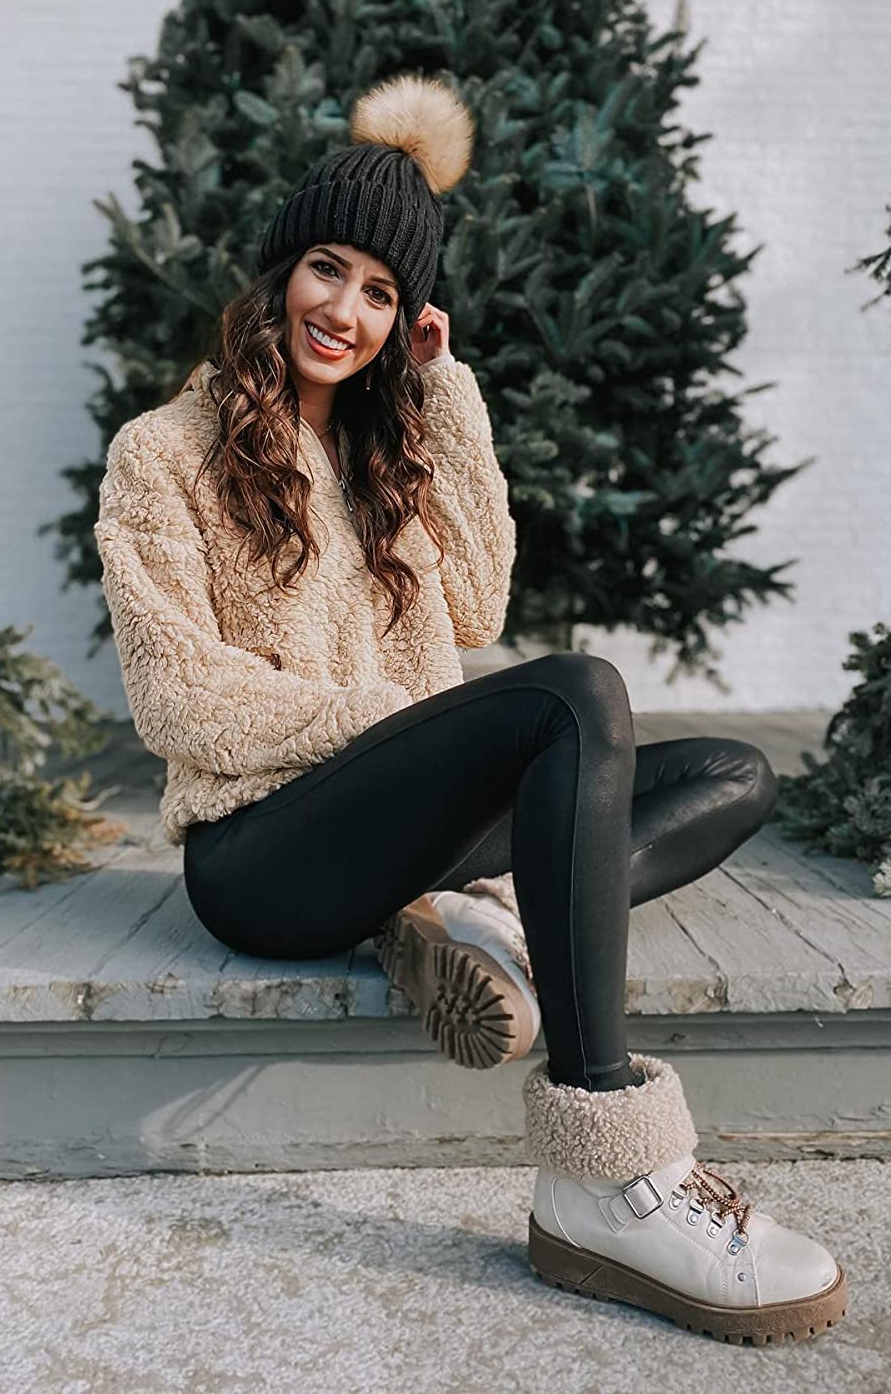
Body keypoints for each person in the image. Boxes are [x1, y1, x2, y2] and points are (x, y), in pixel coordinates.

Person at [94, 71, 848, 1345]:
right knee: (577, 695)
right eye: (327, 270)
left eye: (381, 293)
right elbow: (180, 699)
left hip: (395, 832)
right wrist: (386, 724)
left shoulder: (384, 455)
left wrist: (449, 398)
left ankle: (476, 918)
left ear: (407, 318)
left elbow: (481, 598)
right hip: (262, 853)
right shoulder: (162, 452)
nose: (345, 311)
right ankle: (611, 1171)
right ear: (280, 273)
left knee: (732, 774)